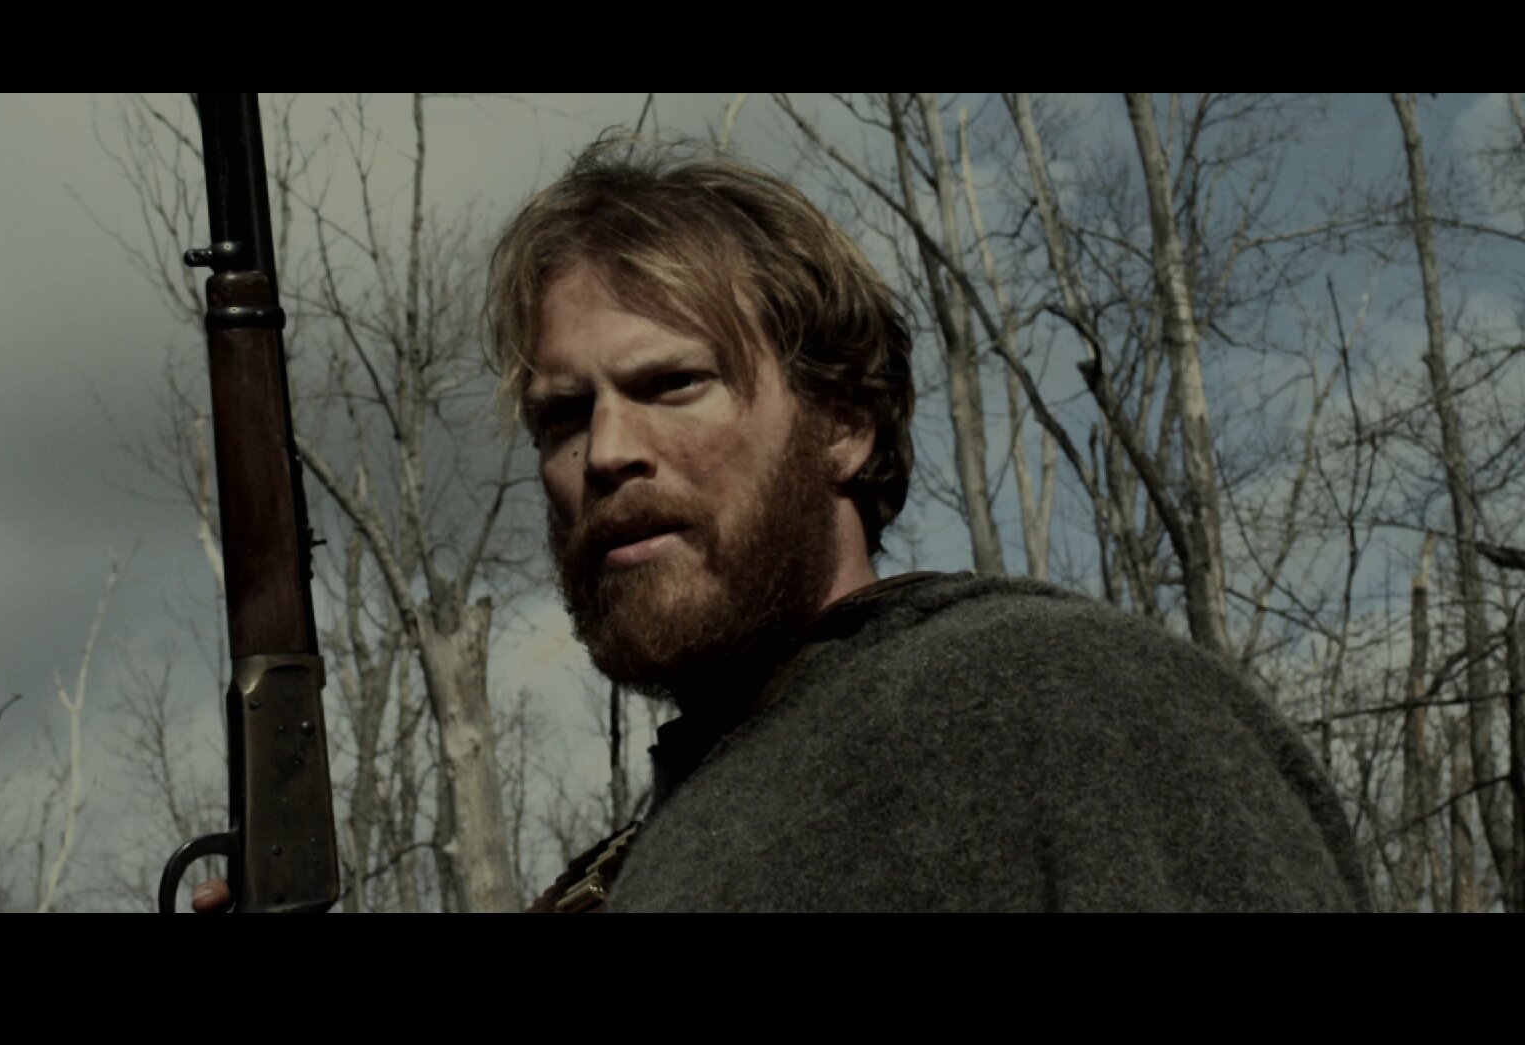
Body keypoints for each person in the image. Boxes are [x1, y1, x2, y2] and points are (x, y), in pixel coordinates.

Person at [493, 139, 1370, 912]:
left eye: (673, 384)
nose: (606, 451)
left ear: (843, 425)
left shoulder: (1058, 701)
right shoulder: (613, 872)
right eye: (563, 416)